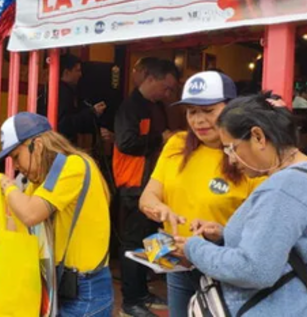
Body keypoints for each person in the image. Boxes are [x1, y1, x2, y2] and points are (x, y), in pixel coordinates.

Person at [137, 71, 263, 316]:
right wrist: (158, 208)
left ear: (232, 110)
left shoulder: (249, 156)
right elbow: (148, 197)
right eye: (192, 111)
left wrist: (219, 233)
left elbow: (258, 232)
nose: (199, 120)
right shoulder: (176, 145)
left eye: (209, 111)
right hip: (178, 266)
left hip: (224, 271)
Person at [176, 92, 307, 316]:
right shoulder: (298, 177)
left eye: (231, 148)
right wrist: (223, 236)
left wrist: (193, 248)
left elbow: (255, 270)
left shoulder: (282, 187)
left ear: (258, 137)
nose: (231, 159)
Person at [0, 112, 113, 316]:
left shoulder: (72, 165)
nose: (16, 166)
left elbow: (30, 214)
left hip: (86, 290)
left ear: (37, 145)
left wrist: (2, 182)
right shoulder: (41, 180)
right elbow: (19, 225)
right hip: (62, 285)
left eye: (16, 157)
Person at [113, 59, 179, 317]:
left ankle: (142, 292)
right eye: (166, 87)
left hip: (151, 185)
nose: (168, 94)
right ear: (150, 79)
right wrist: (160, 138)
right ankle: (130, 301)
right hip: (134, 186)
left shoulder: (157, 107)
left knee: (149, 240)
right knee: (132, 242)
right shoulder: (129, 107)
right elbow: (127, 142)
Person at [38, 54, 110, 145]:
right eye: (77, 71)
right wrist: (92, 112)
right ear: (66, 72)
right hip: (58, 143)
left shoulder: (54, 89)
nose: (80, 74)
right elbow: (65, 124)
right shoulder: (62, 92)